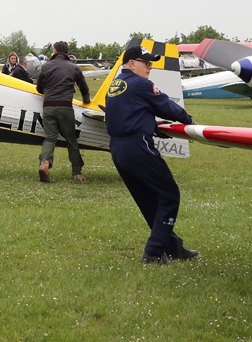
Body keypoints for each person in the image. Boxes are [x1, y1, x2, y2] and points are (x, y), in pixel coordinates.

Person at [104, 45, 199, 264]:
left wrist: (150, 124)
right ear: (131, 63)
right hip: (138, 146)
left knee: (148, 200)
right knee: (170, 194)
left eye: (151, 63)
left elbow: (128, 111)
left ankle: (174, 247)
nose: (150, 67)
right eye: (146, 62)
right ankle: (154, 252)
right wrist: (190, 121)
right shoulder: (141, 84)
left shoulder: (115, 85)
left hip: (118, 148)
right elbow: (166, 106)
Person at [35, 40, 91, 183]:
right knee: (71, 139)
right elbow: (84, 89)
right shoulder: (74, 67)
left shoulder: (46, 66)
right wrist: (86, 101)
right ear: (67, 52)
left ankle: (45, 163)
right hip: (65, 106)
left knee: (50, 138)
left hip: (48, 106)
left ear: (54, 51)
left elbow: (39, 88)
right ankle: (77, 173)